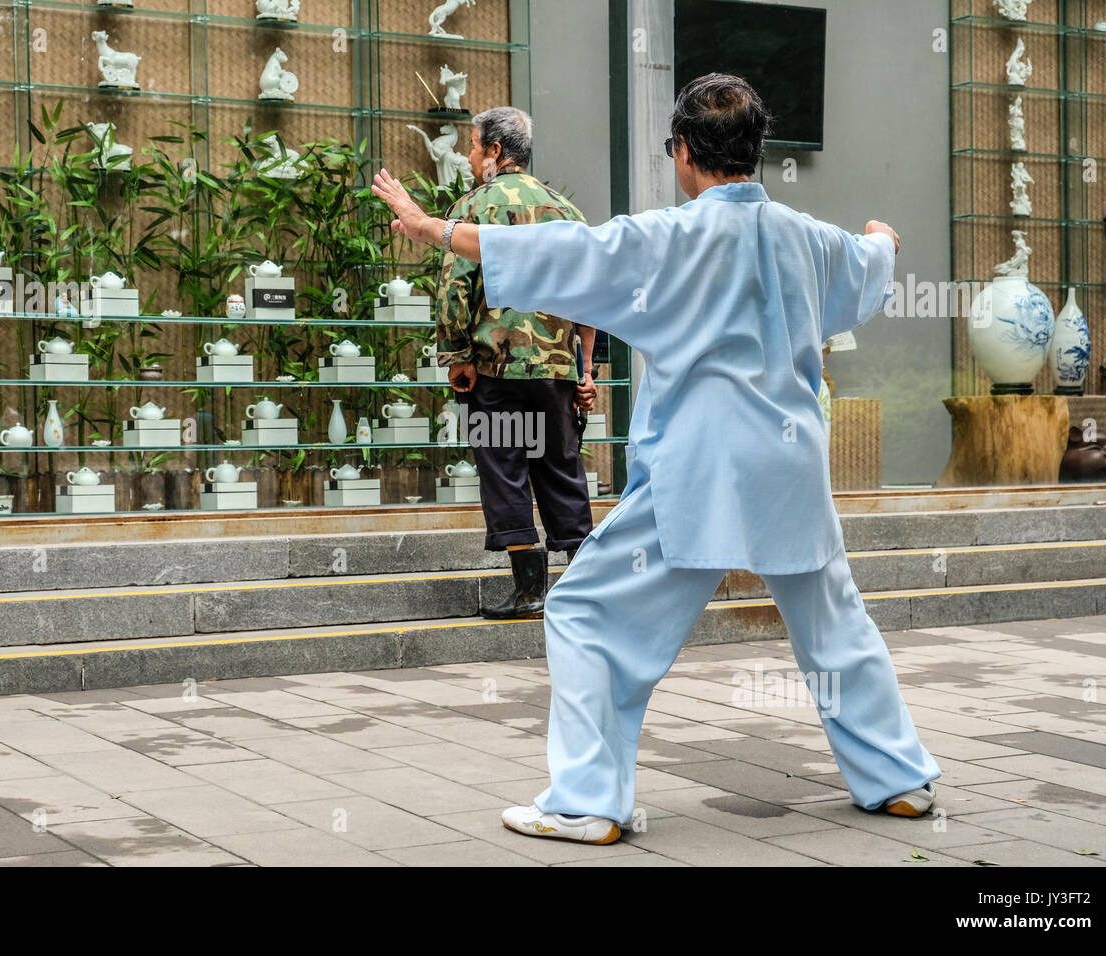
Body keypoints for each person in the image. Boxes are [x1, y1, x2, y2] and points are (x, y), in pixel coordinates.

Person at [372, 73, 941, 846]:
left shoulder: (665, 239)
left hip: (699, 474)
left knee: (582, 615)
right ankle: (899, 780)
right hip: (792, 470)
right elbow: (869, 265)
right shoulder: (808, 238)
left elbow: (556, 254)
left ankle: (586, 802)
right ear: (755, 151)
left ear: (682, 152)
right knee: (835, 625)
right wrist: (884, 237)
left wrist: (430, 225)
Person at [433, 106, 598, 620]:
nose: (469, 155)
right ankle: (588, 587)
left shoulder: (473, 208)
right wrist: (583, 369)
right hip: (554, 370)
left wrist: (457, 356)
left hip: (496, 370)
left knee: (504, 470)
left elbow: (455, 288)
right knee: (560, 469)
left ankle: (530, 590)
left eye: (474, 146)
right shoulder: (565, 210)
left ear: (495, 152)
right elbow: (590, 296)